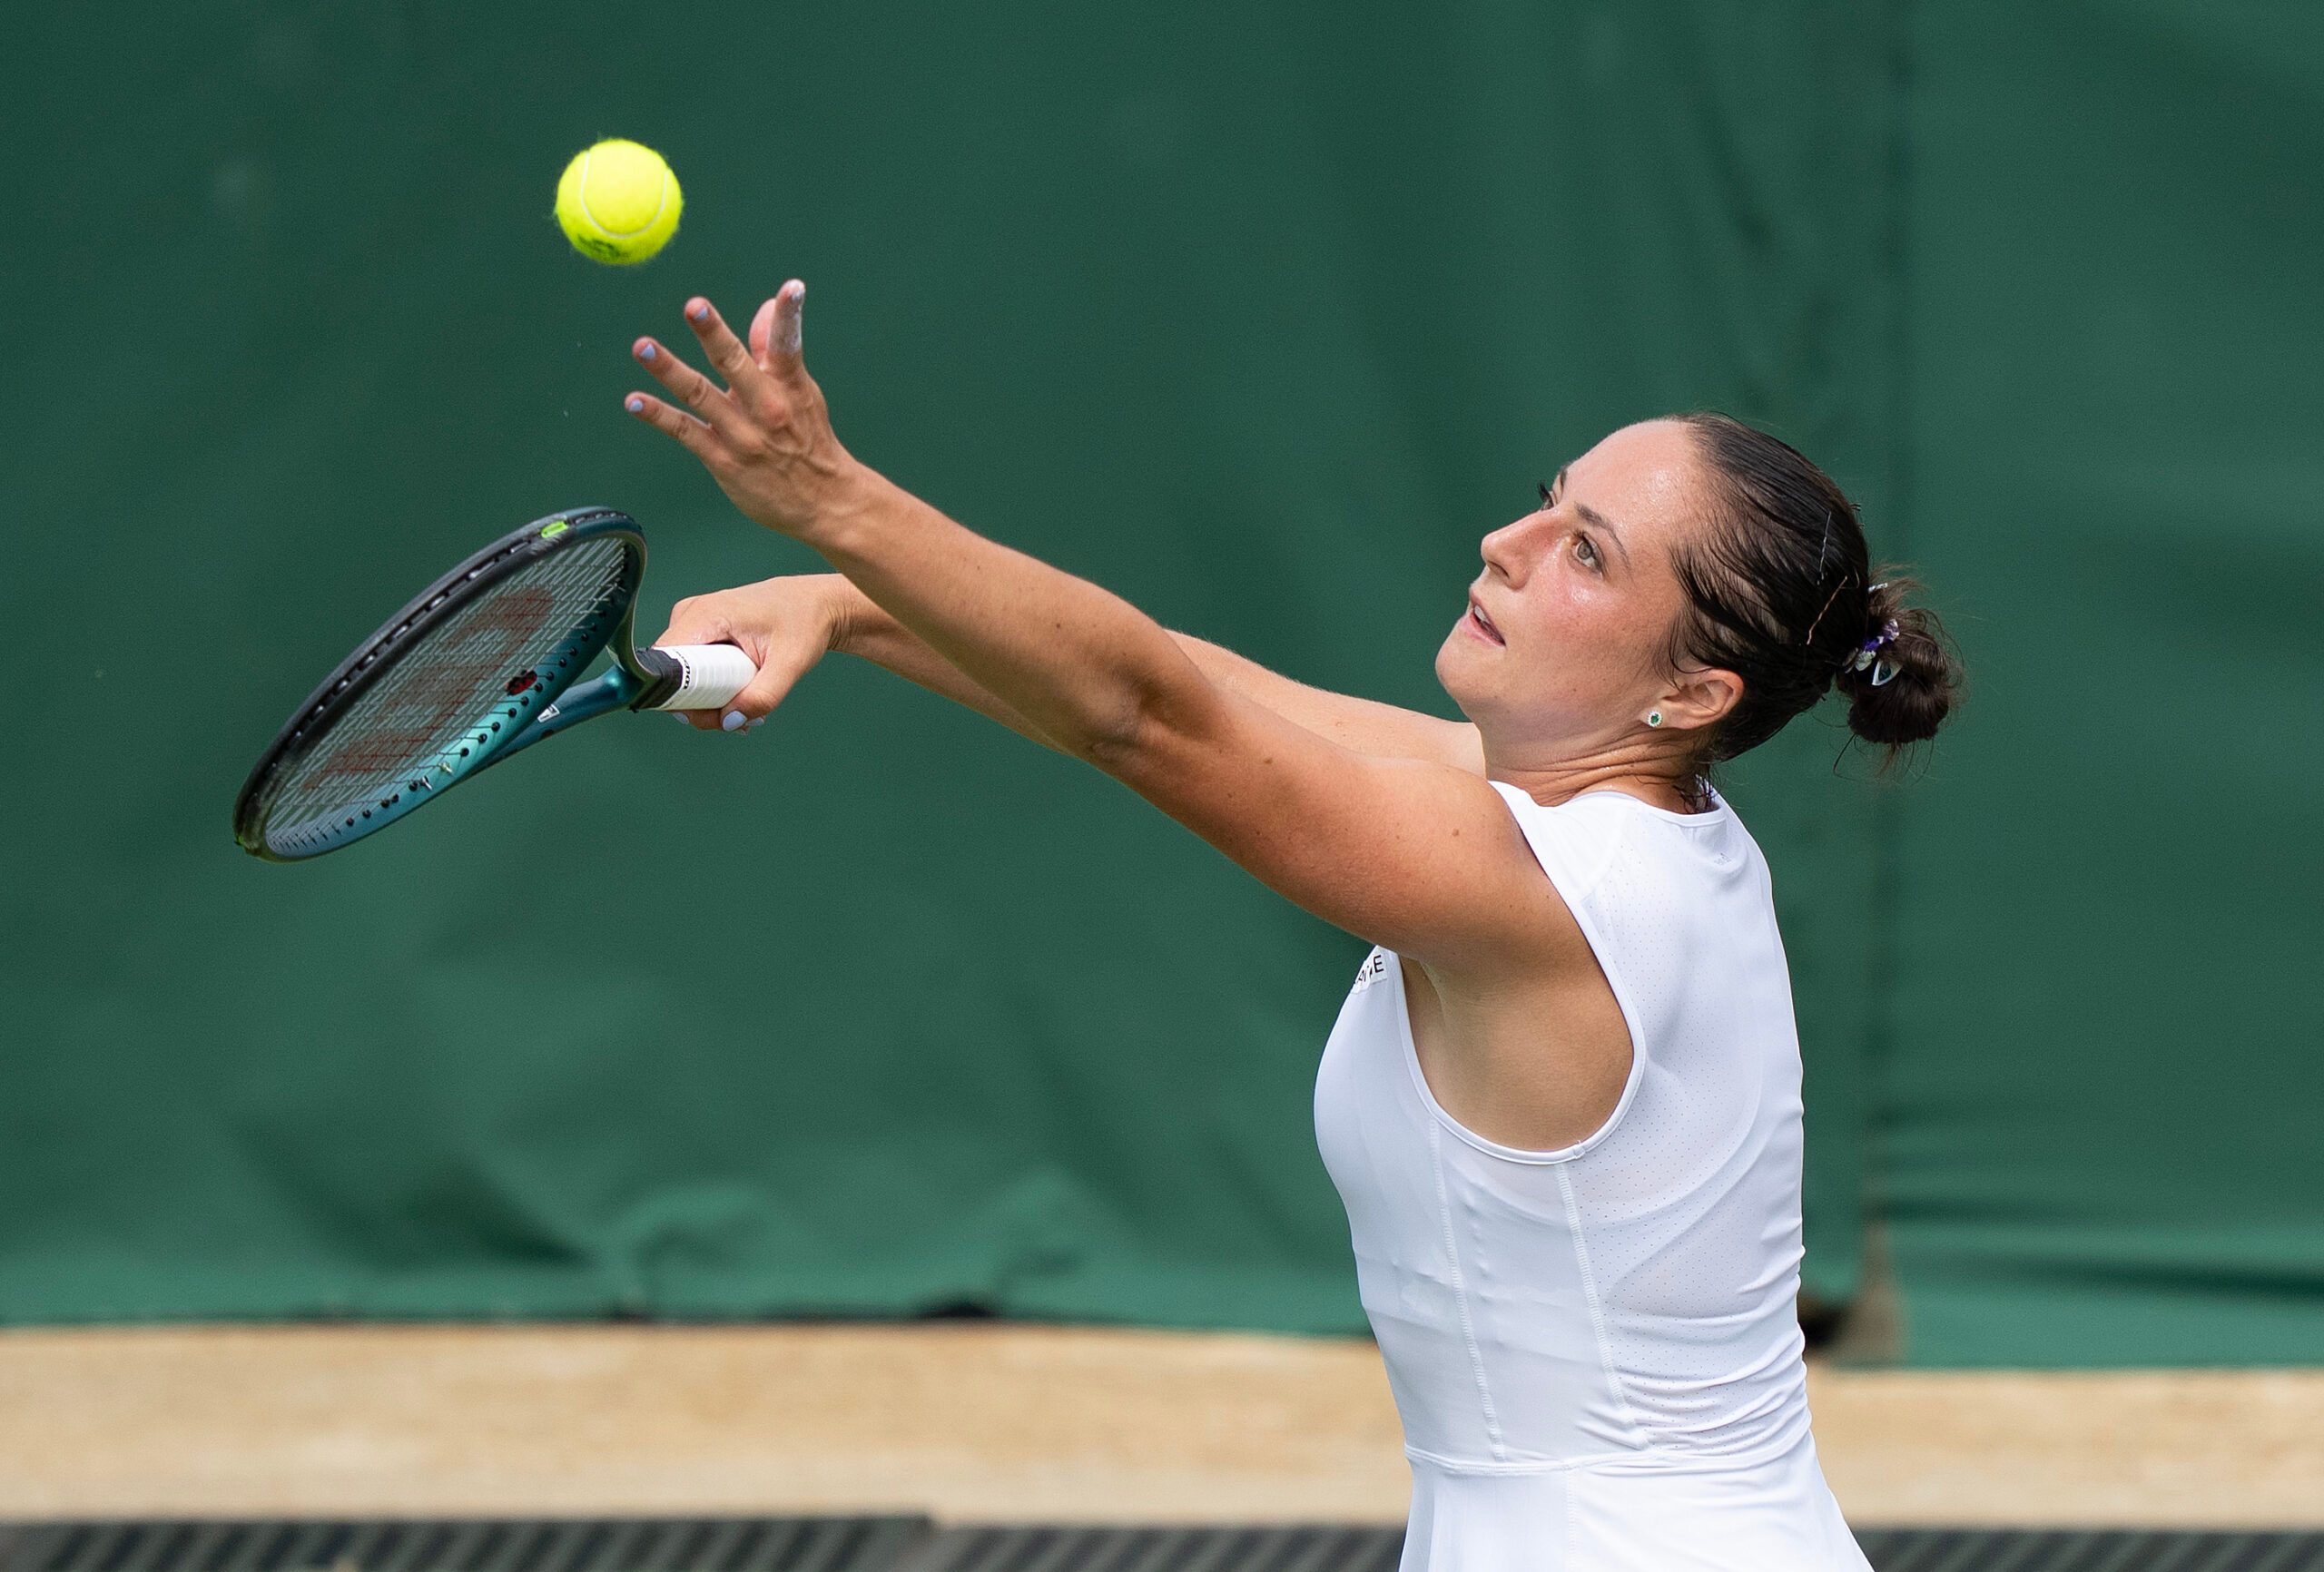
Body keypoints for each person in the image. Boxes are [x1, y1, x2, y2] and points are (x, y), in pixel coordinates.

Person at [623, 282, 1960, 1570]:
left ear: (1691, 689)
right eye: (1555, 503)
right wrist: (851, 607)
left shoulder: (1551, 890)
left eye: (1588, 555)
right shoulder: (1622, 833)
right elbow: (1203, 685)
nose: (1510, 541)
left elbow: (1146, 718)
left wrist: (837, 505)